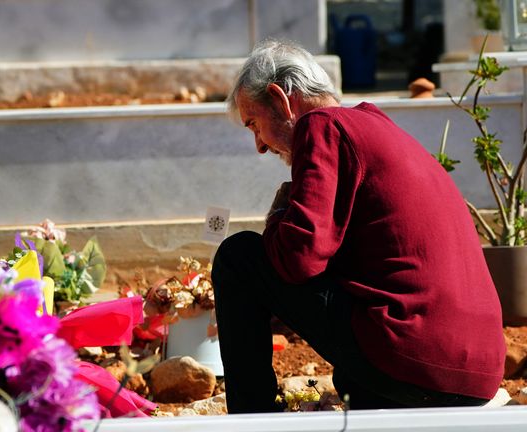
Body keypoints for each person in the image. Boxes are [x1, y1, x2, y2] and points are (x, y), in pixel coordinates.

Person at [213, 39, 505, 413]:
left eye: (254, 124)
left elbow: (297, 258)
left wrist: (279, 216)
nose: (259, 145)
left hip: (411, 356)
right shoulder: (376, 125)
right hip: (476, 374)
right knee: (353, 376)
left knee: (239, 257)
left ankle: (253, 420)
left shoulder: (321, 126)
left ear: (281, 98)